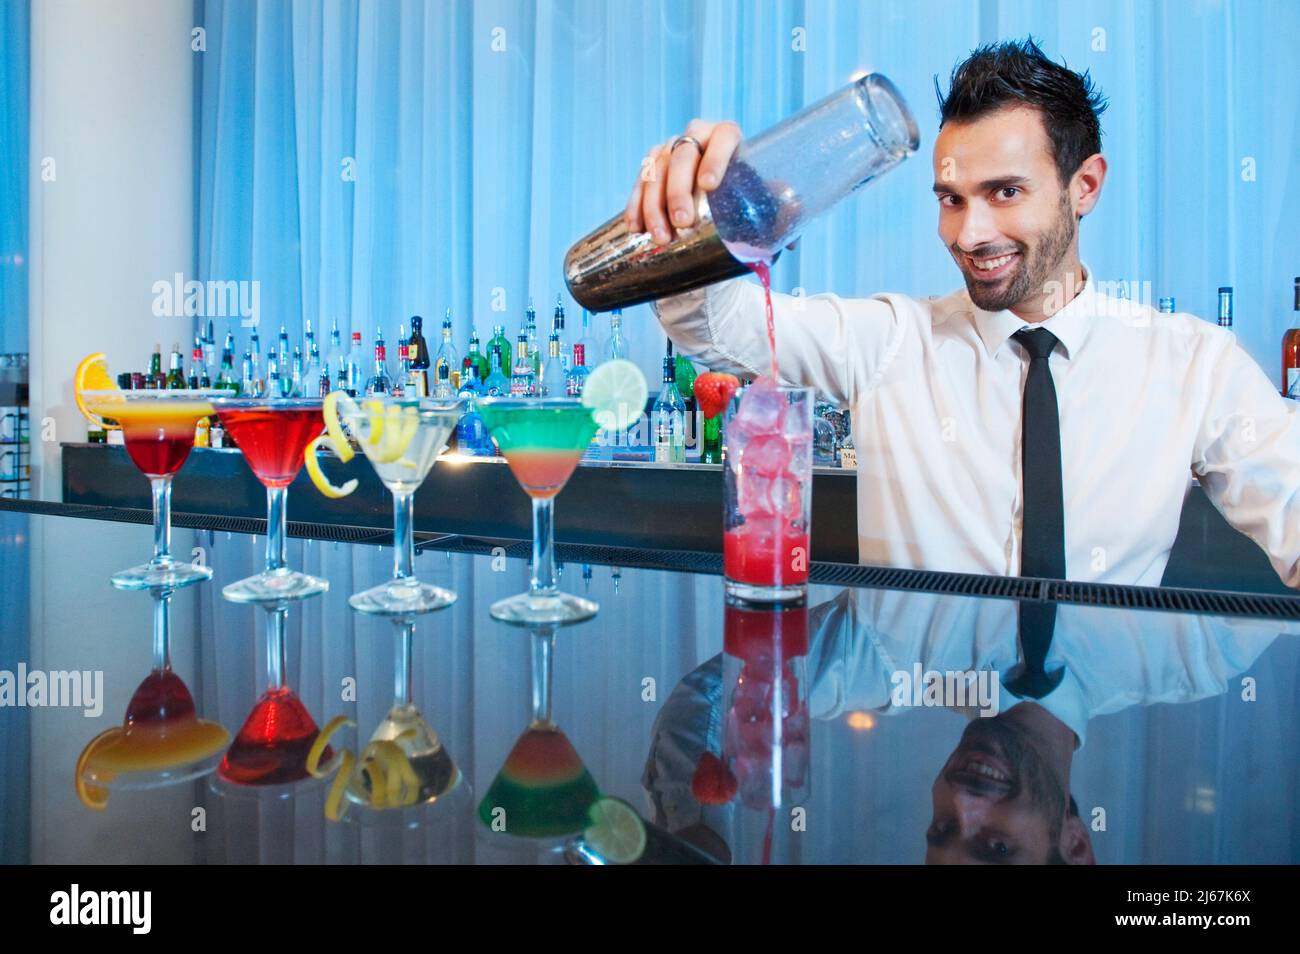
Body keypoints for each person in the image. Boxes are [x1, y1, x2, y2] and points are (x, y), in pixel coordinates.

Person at [629, 38, 1300, 588]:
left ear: (1084, 186)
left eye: (1005, 191)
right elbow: (710, 322)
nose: (969, 233)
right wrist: (696, 212)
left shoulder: (1192, 364)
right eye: (951, 198)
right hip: (917, 726)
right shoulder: (890, 341)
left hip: (1098, 724)